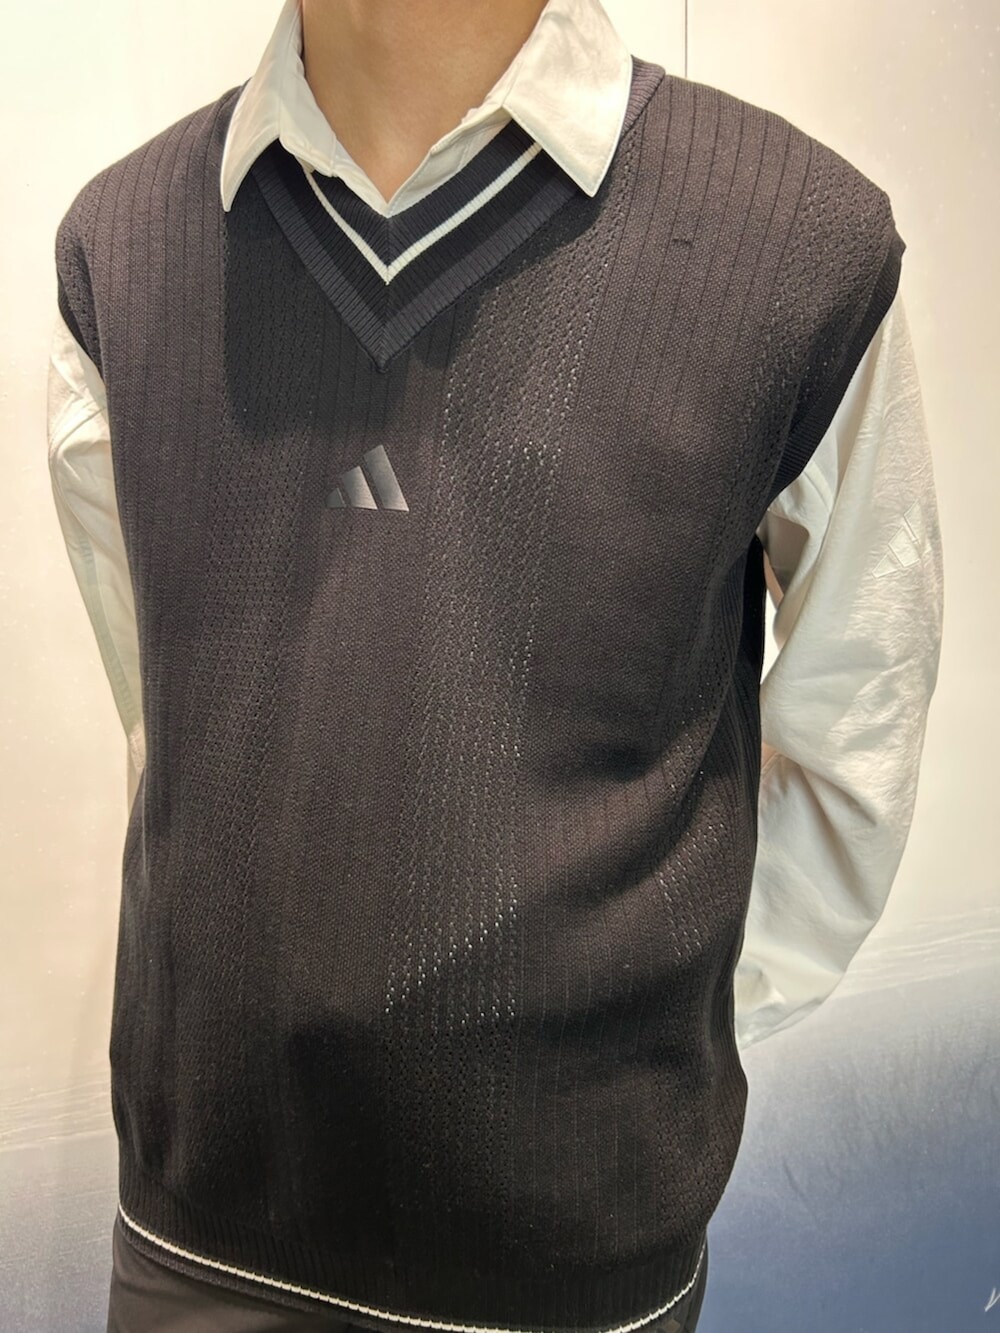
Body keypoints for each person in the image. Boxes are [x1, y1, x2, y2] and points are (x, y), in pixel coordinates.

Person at [47, 0, 944, 1329]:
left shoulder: (797, 245)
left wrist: (629, 1041)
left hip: (572, 1270)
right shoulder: (118, 252)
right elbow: (168, 712)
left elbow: (855, 728)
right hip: (195, 1239)